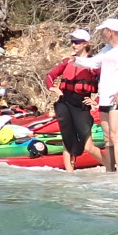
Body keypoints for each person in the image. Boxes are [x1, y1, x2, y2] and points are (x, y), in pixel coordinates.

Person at [75, 17, 118, 173]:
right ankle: (110, 170)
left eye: (103, 31)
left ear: (110, 32)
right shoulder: (107, 49)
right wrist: (74, 60)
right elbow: (94, 63)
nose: (101, 34)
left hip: (117, 98)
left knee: (115, 136)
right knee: (107, 138)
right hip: (105, 97)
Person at [44, 29, 102, 171]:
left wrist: (97, 101)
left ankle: (111, 169)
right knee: (67, 140)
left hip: (81, 104)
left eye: (77, 42)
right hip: (65, 102)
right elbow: (50, 76)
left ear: (85, 43)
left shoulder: (93, 63)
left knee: (88, 146)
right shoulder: (67, 62)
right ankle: (69, 176)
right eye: (72, 42)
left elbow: (106, 83)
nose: (73, 45)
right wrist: (52, 88)